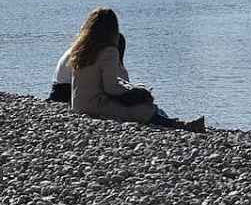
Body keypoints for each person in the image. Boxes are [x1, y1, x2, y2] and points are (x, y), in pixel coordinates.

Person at [67, 8, 204, 132]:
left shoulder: (82, 48)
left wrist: (130, 88)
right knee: (144, 109)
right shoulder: (108, 51)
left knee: (143, 105)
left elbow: (101, 81)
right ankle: (182, 125)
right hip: (95, 104)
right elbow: (111, 88)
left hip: (79, 103)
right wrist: (136, 92)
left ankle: (178, 123)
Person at [50, 33, 128, 103]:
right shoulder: (96, 53)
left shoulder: (82, 47)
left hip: (57, 91)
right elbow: (115, 82)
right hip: (69, 92)